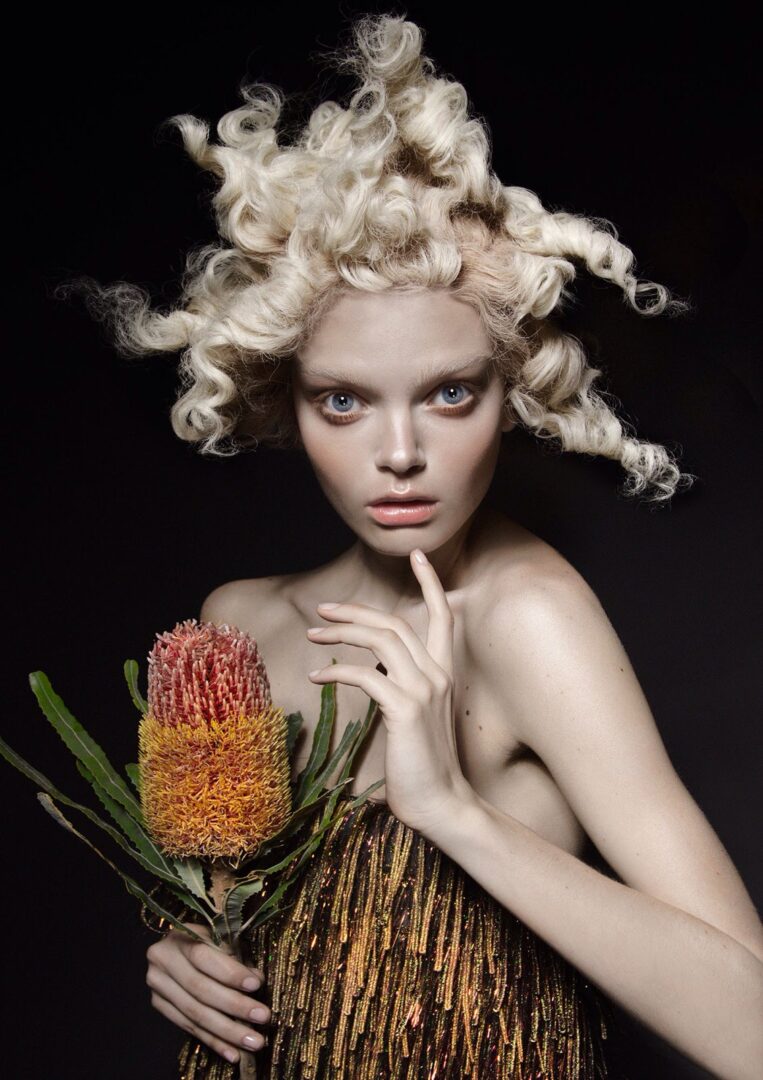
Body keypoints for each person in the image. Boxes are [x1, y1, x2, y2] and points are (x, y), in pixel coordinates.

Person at [66, 12, 763, 1079]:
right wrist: (186, 956)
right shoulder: (233, 627)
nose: (401, 453)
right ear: (279, 402)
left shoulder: (529, 617)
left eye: (449, 393)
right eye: (343, 401)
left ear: (509, 392)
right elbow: (228, 925)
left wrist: (450, 813)